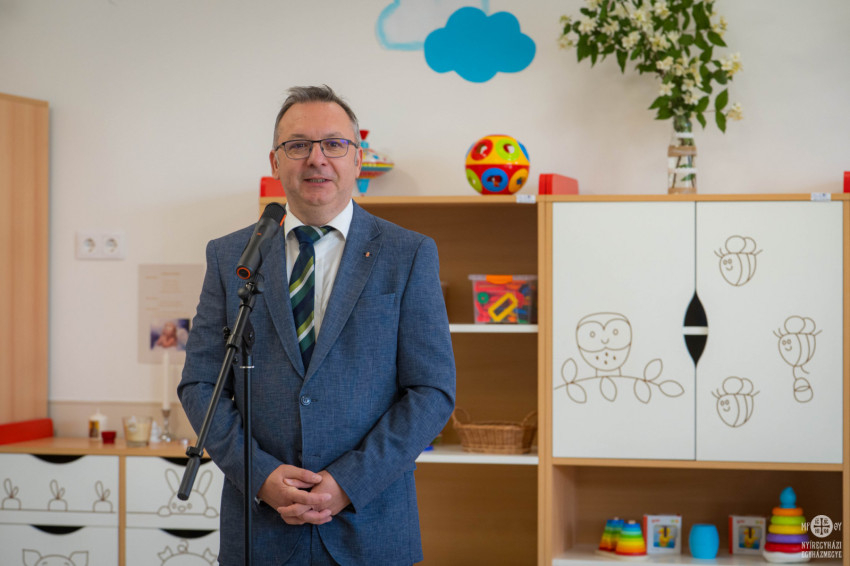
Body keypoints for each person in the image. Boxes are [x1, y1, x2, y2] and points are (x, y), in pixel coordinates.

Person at [178, 85, 456, 566]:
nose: (316, 158)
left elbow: (432, 391)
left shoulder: (408, 253)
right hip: (260, 530)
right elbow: (202, 382)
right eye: (298, 145)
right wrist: (261, 476)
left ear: (358, 159)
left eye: (333, 144)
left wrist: (348, 482)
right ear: (275, 161)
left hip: (370, 528)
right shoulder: (230, 256)